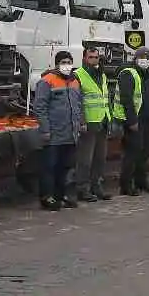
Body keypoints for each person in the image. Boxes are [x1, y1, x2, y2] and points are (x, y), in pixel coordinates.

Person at [33, 49, 83, 209]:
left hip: (70, 134)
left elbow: (78, 104)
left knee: (65, 166)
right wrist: (45, 129)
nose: (67, 65)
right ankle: (47, 197)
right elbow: (40, 107)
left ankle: (61, 196)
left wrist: (81, 123)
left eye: (69, 62)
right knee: (49, 167)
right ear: (57, 64)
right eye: (63, 62)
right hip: (53, 134)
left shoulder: (75, 81)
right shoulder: (46, 81)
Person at [116, 48, 149, 193]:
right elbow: (126, 99)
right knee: (132, 152)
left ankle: (141, 181)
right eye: (141, 57)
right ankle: (126, 185)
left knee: (145, 151)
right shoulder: (128, 73)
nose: (145, 60)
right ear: (135, 58)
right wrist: (132, 121)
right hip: (135, 120)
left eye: (147, 58)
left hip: (147, 118)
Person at [73, 46, 114, 202]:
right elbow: (77, 101)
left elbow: (105, 97)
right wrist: (82, 121)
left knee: (100, 158)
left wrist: (108, 118)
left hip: (102, 122)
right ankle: (82, 189)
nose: (94, 60)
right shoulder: (78, 75)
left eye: (96, 57)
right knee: (85, 160)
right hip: (88, 124)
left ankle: (97, 187)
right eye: (91, 57)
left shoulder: (101, 75)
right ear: (84, 58)